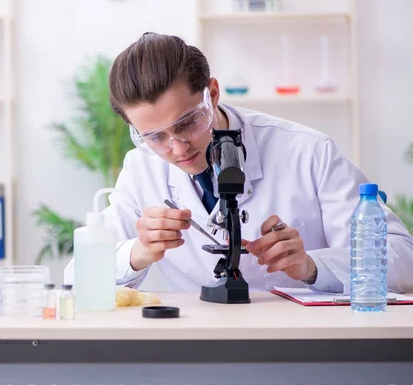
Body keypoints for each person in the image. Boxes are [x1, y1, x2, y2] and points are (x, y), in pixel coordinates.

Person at [64, 32, 413, 293]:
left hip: (302, 347)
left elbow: (402, 260)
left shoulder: (308, 152)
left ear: (212, 93)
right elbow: (76, 278)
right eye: (154, 136)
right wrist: (137, 252)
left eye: (187, 122)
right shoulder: (141, 168)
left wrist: (311, 265)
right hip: (197, 351)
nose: (177, 147)